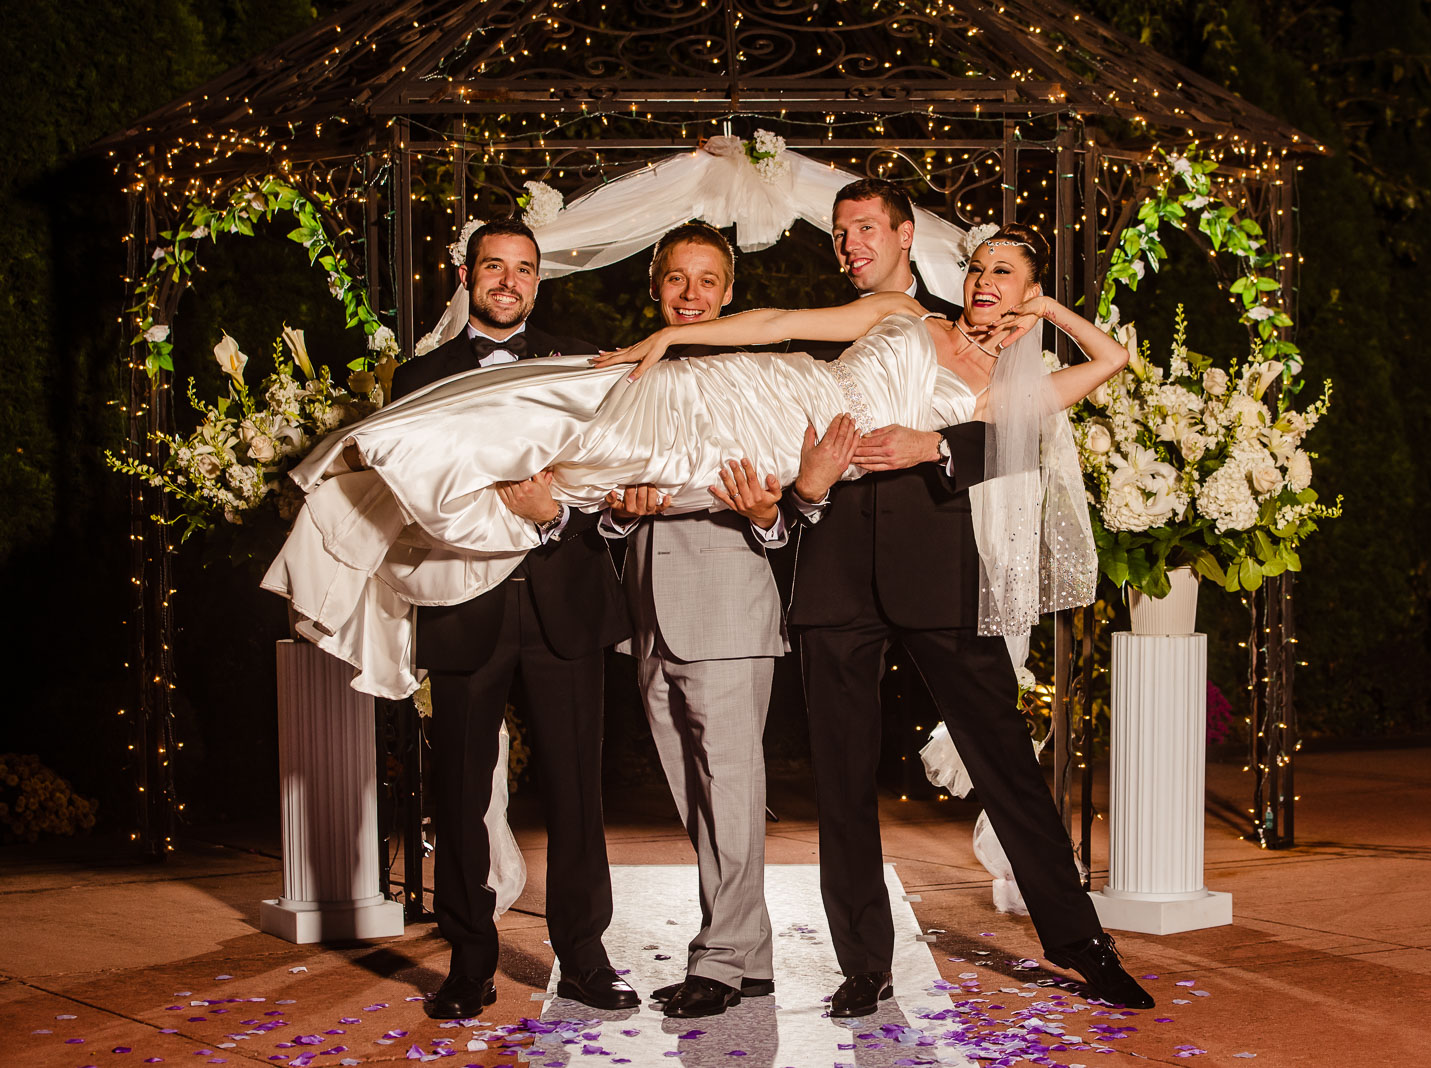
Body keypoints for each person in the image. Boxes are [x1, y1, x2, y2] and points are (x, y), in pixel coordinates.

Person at [772, 196, 1161, 1015]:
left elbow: (1085, 386)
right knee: (841, 781)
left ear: (1027, 291)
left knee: (1006, 764)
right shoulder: (908, 326)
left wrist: (939, 440)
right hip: (838, 569)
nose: (985, 282)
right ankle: (862, 966)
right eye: (979, 268)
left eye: (1005, 274)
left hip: (941, 577)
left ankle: (1081, 944)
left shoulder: (1014, 368)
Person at [366, 217, 639, 1020]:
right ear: (465, 274)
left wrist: (554, 515)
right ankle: (469, 960)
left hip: (565, 602)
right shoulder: (418, 378)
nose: (509, 281)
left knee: (576, 791)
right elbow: (410, 501)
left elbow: (609, 477)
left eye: (523, 269)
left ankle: (584, 958)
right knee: (455, 792)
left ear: (537, 280)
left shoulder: (583, 365)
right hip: (463, 606)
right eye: (494, 267)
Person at [597, 222, 860, 1019]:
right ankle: (750, 958)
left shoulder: (761, 377)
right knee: (698, 801)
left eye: (707, 281)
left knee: (732, 796)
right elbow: (598, 497)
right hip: (649, 621)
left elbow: (789, 514)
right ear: (654, 287)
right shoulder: (627, 377)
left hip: (730, 617)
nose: (691, 294)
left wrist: (770, 513)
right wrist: (615, 513)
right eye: (677, 279)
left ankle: (718, 960)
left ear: (730, 294)